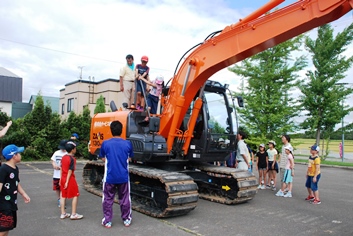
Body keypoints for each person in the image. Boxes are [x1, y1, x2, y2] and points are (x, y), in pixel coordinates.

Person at [99, 121, 133, 228]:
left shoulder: (105, 143)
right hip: (123, 176)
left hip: (109, 177)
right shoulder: (128, 144)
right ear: (122, 130)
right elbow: (130, 158)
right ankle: (126, 219)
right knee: (125, 198)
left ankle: (107, 221)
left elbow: (103, 158)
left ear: (111, 130)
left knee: (108, 199)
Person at [0, 144, 30, 235]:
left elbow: (16, 183)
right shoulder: (3, 169)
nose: (20, 155)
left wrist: (24, 194)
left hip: (11, 203)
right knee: (3, 229)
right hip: (3, 205)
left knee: (7, 227)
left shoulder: (15, 168)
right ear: (14, 156)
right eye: (19, 153)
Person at [60, 141, 83, 220]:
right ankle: (73, 214)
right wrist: (67, 181)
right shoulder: (72, 159)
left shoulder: (63, 157)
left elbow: (61, 168)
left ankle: (63, 213)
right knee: (75, 195)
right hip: (69, 179)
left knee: (63, 195)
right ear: (72, 150)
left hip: (63, 177)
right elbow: (70, 170)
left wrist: (61, 179)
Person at [51, 140, 67, 207]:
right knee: (57, 188)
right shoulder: (56, 153)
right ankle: (59, 199)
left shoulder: (67, 154)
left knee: (63, 188)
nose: (63, 149)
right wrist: (54, 165)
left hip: (64, 175)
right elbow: (52, 160)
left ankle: (63, 199)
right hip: (56, 174)